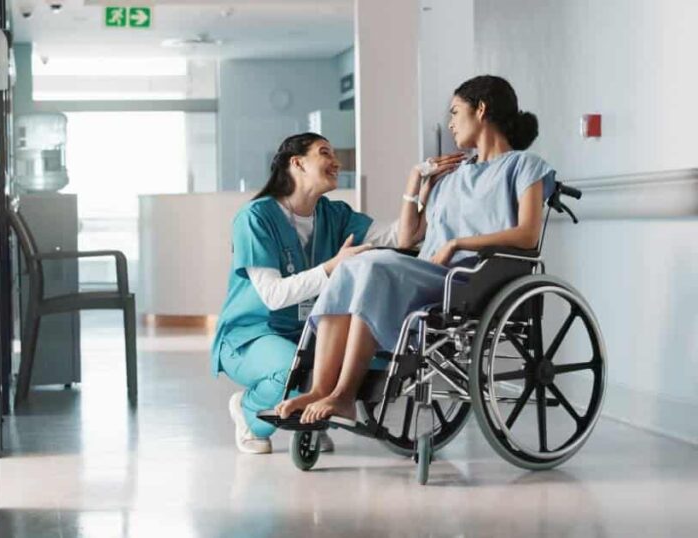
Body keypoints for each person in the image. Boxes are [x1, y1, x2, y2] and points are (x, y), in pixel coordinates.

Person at [274, 75, 556, 425]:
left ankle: (344, 394)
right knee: (352, 265)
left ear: (481, 110)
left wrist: (458, 243)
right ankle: (321, 388)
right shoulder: (452, 175)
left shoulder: (524, 166)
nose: (451, 123)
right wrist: (416, 181)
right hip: (429, 272)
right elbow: (408, 238)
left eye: (455, 112)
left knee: (374, 266)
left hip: (472, 278)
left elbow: (527, 236)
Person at [212, 132, 398, 454]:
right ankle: (247, 411)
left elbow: (394, 235)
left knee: (372, 360)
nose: (336, 162)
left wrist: (422, 195)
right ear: (296, 163)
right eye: (325, 153)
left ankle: (309, 416)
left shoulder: (334, 214)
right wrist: (332, 268)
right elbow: (273, 295)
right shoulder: (255, 218)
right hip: (251, 334)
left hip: (309, 332)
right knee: (289, 370)